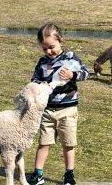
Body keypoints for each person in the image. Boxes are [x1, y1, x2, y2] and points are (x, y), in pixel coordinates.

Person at [28, 23, 88, 185]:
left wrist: (72, 74)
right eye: (44, 49)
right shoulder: (42, 63)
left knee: (68, 144)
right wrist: (41, 87)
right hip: (47, 110)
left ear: (61, 41)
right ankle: (38, 174)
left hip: (67, 110)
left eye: (52, 47)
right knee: (43, 143)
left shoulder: (70, 57)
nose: (49, 52)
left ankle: (69, 174)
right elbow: (34, 81)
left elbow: (86, 73)